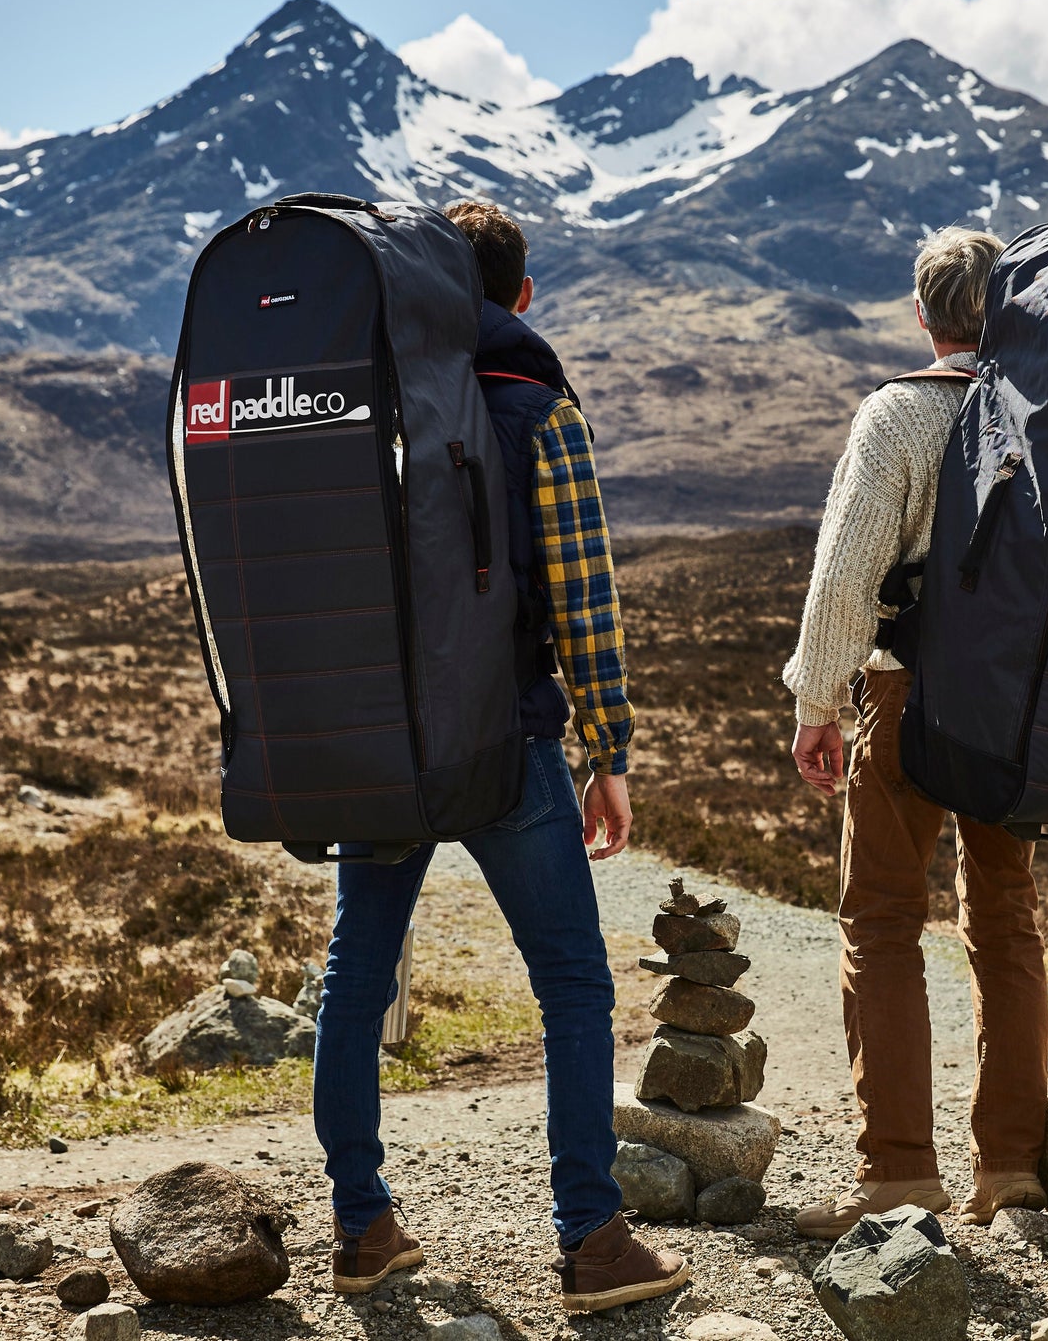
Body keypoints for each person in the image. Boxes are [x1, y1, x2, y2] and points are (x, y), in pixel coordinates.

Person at [313, 199, 688, 1312]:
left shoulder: (363, 397)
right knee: (572, 982)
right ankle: (591, 1238)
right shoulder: (537, 407)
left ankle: (361, 1226)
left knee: (354, 978)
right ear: (521, 294)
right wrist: (608, 749)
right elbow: (582, 595)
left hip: (380, 746)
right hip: (504, 742)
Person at [782, 227, 1048, 1239]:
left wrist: (816, 704)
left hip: (905, 699)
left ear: (921, 314)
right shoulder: (1046, 415)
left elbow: (846, 574)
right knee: (1006, 919)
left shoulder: (896, 412)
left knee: (884, 923)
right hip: (1018, 707)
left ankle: (898, 1173)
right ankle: (1013, 1167)